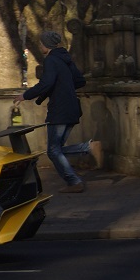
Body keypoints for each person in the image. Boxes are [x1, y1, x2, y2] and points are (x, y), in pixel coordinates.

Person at [13, 30, 92, 193]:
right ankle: (87, 149)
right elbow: (79, 80)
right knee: (56, 149)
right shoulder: (65, 58)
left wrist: (25, 95)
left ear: (47, 45)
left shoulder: (51, 60)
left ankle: (74, 181)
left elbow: (47, 83)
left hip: (60, 110)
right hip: (72, 108)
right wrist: (64, 88)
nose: (40, 45)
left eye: (41, 43)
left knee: (53, 150)